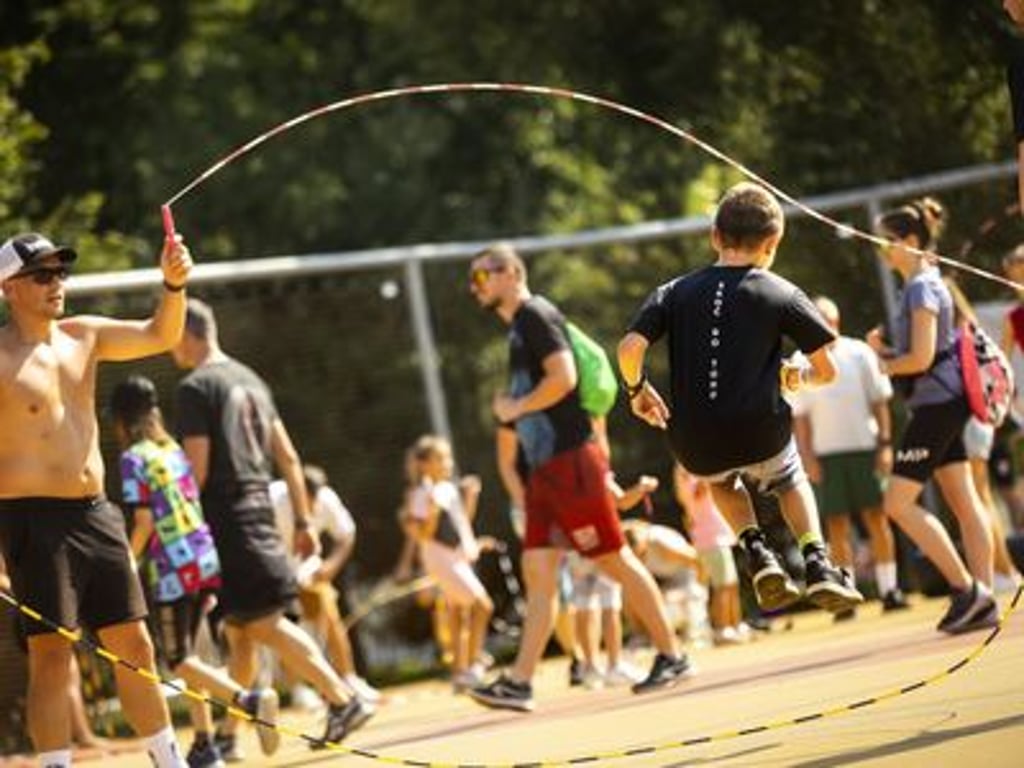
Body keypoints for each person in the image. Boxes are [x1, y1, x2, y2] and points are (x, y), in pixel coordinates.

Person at [618, 182, 863, 621]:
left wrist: (637, 391)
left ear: (715, 236)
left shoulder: (672, 291)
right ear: (772, 244)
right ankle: (817, 560)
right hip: (760, 428)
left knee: (719, 479)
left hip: (694, 438)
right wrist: (796, 377)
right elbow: (828, 371)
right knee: (789, 478)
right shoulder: (781, 292)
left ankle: (757, 553)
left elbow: (629, 349)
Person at [467, 243, 693, 713]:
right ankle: (521, 682)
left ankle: (672, 655)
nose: (476, 288)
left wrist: (514, 408)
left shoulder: (534, 315)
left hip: (570, 462)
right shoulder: (518, 328)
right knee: (539, 572)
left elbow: (564, 378)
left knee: (613, 559)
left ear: (509, 272)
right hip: (546, 472)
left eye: (482, 277)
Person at [0, 231, 192, 768]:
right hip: (31, 520)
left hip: (97, 513)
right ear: (8, 289)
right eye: (41, 275)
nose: (55, 283)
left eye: (60, 272)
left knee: (136, 644)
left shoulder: (84, 335)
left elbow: (161, 333)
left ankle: (167, 760)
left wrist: (173, 284)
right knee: (52, 654)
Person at [170, 298, 373, 754]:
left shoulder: (195, 388)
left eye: (170, 333)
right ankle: (228, 735)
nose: (168, 344)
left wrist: (181, 522)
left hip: (227, 516)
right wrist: (302, 520)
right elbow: (289, 457)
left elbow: (196, 472)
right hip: (260, 507)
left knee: (262, 622)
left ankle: (342, 698)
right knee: (242, 630)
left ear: (188, 332)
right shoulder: (250, 379)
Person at [109, 375, 280, 767]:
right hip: (203, 558)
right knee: (195, 653)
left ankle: (248, 700)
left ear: (119, 420)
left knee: (178, 660)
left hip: (171, 568)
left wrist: (128, 563)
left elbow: (144, 520)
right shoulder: (172, 450)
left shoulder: (133, 458)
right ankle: (205, 743)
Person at [866, 198, 997, 633]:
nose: (883, 249)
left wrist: (880, 363)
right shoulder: (923, 284)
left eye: (888, 241)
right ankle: (983, 597)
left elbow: (921, 358)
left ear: (910, 242)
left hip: (937, 402)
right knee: (962, 498)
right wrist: (886, 351)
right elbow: (923, 352)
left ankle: (968, 590)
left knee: (896, 504)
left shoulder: (922, 286)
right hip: (942, 400)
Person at [791, 295, 910, 619]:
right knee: (836, 527)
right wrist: (807, 458)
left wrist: (885, 446)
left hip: (865, 449)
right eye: (819, 319)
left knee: (877, 518)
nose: (825, 325)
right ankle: (847, 596)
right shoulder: (799, 361)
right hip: (825, 456)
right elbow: (799, 418)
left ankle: (890, 590)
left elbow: (880, 402)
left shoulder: (859, 352)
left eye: (830, 319)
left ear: (838, 321)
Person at [269, 464, 381, 707]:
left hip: (307, 567)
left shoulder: (326, 498)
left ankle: (349, 678)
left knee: (331, 615)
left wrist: (330, 565)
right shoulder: (272, 497)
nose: (309, 505)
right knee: (287, 626)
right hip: (275, 569)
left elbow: (346, 534)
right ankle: (298, 689)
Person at [402, 435, 494, 693]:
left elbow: (461, 522)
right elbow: (423, 534)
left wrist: (471, 500)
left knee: (459, 613)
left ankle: (459, 673)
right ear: (424, 464)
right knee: (483, 606)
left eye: (447, 457)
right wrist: (431, 511)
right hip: (440, 559)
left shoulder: (448, 489)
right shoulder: (420, 494)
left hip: (456, 558)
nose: (447, 463)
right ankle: (475, 664)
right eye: (440, 458)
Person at [672, 466, 749, 645]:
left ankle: (735, 626)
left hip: (720, 537)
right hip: (710, 539)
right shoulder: (690, 478)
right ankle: (722, 629)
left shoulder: (694, 476)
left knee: (731, 584)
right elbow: (699, 492)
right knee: (722, 585)